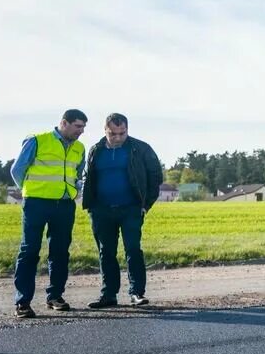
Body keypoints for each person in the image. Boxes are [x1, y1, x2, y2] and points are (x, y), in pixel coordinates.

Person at [9, 109, 88, 318]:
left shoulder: (80, 148)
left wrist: (74, 191)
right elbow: (17, 170)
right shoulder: (37, 140)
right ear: (64, 122)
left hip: (64, 205)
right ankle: (22, 302)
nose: (81, 131)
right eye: (78, 126)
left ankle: (55, 297)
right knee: (29, 251)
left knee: (60, 252)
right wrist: (28, 191)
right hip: (36, 203)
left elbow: (77, 174)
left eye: (83, 127)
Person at [81, 113, 163, 309]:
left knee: (133, 250)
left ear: (127, 129)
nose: (117, 137)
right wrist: (91, 205)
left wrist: (145, 205)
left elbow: (155, 177)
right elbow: (87, 176)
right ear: (105, 130)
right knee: (106, 252)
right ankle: (108, 294)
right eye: (112, 134)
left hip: (131, 209)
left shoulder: (140, 148)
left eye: (122, 133)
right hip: (101, 210)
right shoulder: (96, 150)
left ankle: (136, 293)